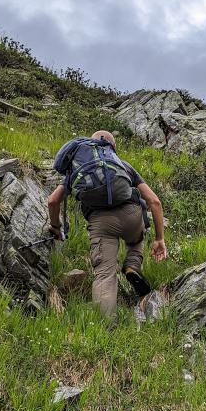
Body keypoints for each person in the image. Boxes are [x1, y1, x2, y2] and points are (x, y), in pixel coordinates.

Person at [47, 130, 168, 316]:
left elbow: (53, 201)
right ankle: (132, 265)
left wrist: (56, 227)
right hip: (131, 216)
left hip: (100, 223)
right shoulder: (123, 165)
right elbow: (155, 202)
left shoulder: (79, 169)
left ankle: (106, 325)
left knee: (104, 274)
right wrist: (160, 239)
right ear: (113, 147)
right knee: (135, 240)